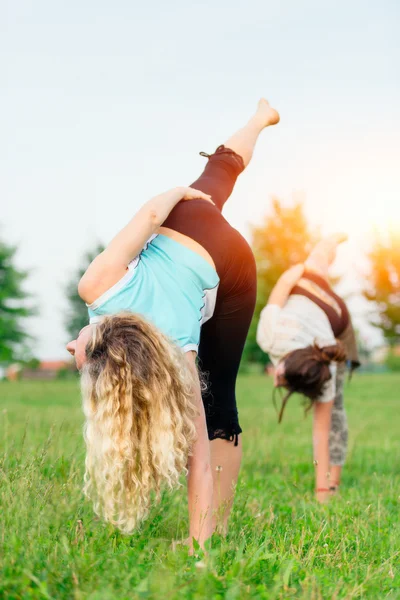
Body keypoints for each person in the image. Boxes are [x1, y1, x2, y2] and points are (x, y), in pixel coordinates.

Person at [66, 99, 280, 547]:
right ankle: (259, 118)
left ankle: (211, 532)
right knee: (218, 174)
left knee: (220, 400)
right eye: (81, 356)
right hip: (186, 223)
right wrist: (179, 195)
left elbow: (197, 460)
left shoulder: (179, 361)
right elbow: (148, 217)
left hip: (231, 264)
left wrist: (198, 550)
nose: (71, 349)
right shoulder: (100, 286)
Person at [256, 234, 360, 503]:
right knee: (334, 413)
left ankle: (329, 243)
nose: (276, 378)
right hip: (336, 314)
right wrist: (320, 493)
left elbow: (283, 284)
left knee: (318, 257)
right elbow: (320, 432)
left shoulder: (273, 337)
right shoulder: (316, 357)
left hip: (311, 292)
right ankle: (331, 484)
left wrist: (299, 269)